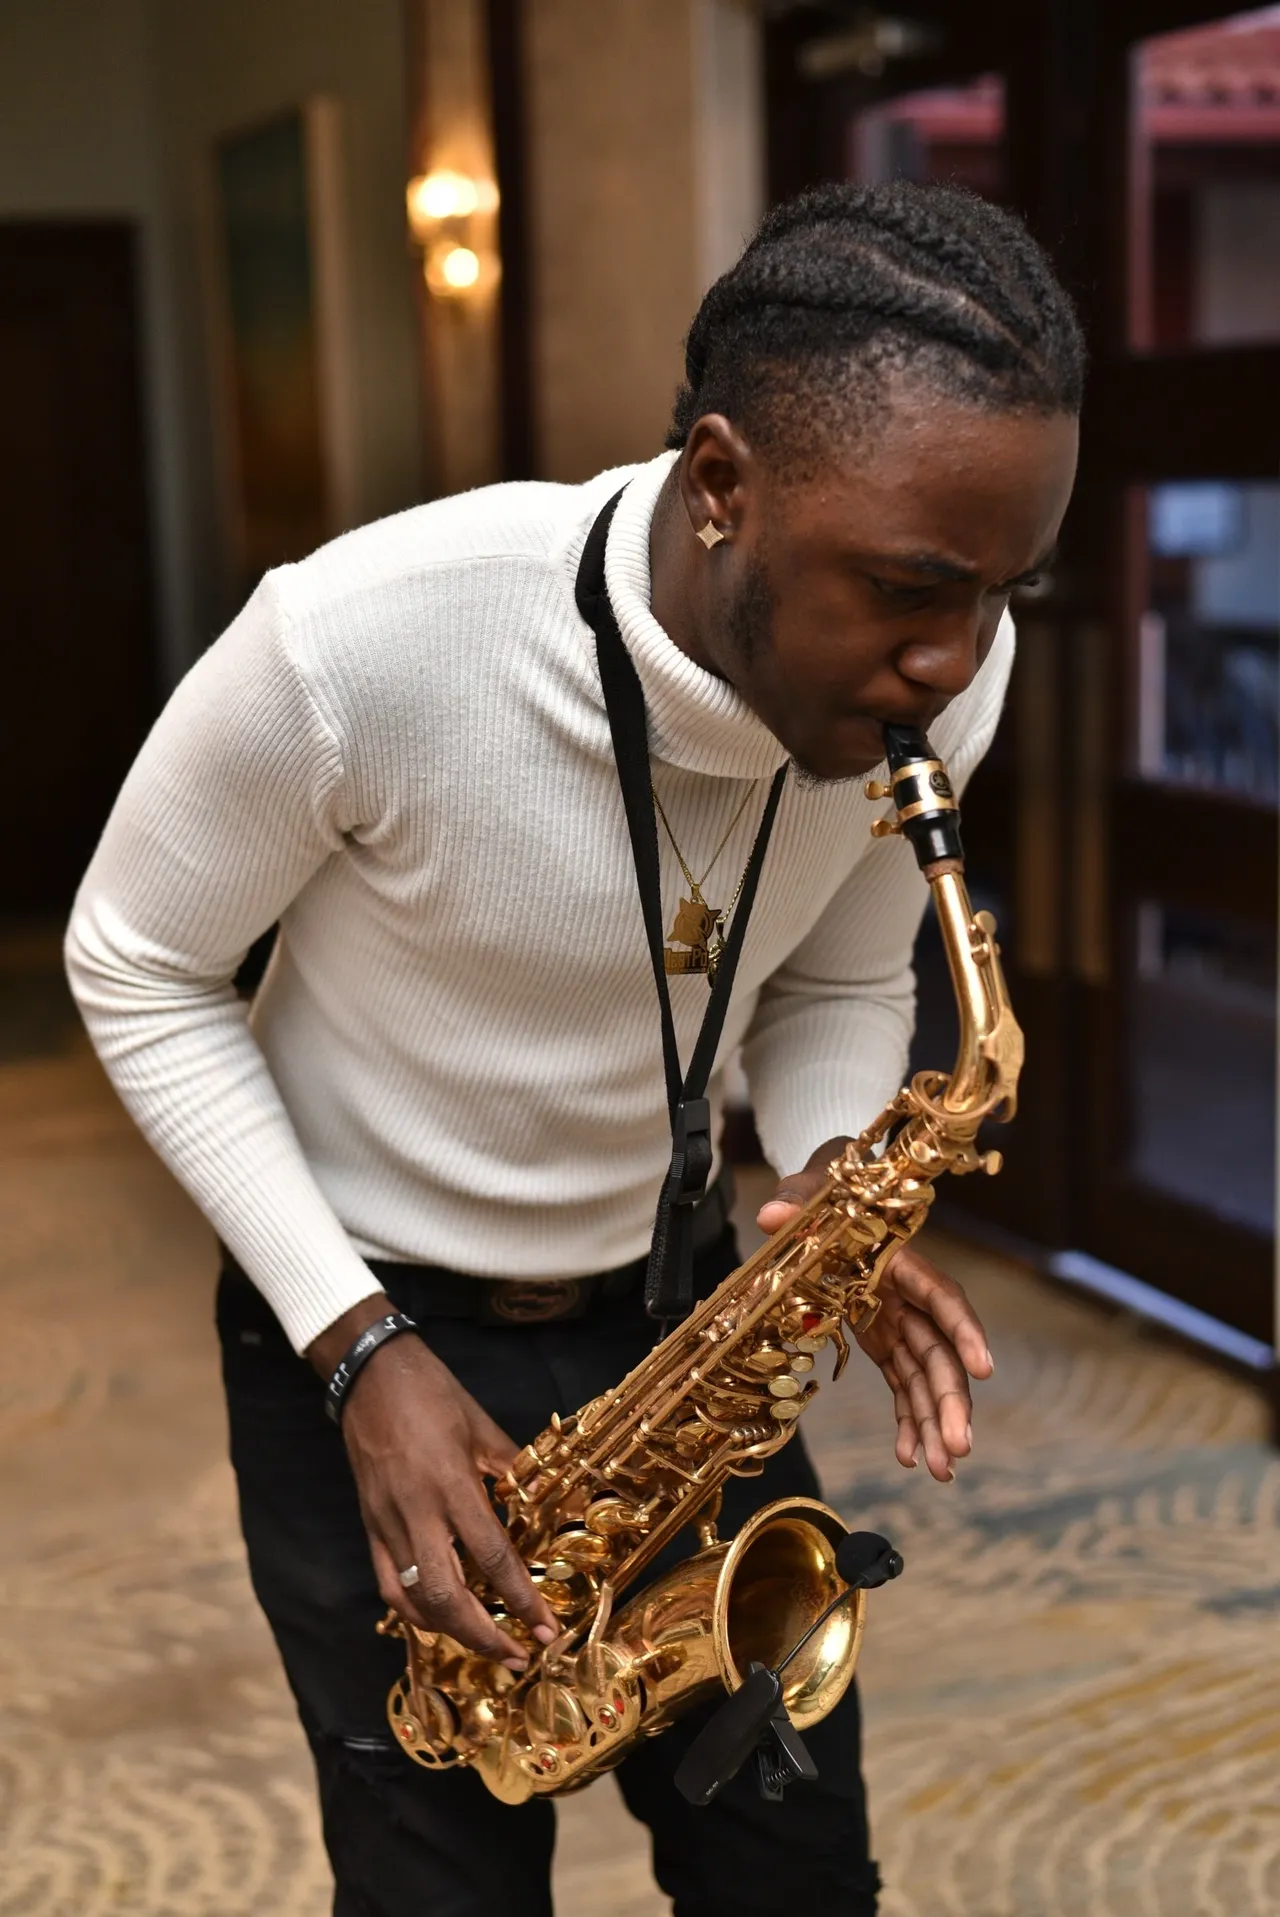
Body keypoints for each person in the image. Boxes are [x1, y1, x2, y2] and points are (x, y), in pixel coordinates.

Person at [65, 181, 1083, 1915]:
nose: (957, 661)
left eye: (1003, 593)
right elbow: (137, 961)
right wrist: (358, 1350)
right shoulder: (364, 640)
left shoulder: (930, 677)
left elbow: (837, 981)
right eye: (913, 589)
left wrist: (835, 1170)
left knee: (797, 1875)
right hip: (367, 1331)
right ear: (720, 485)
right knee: (439, 1877)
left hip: (676, 1309)